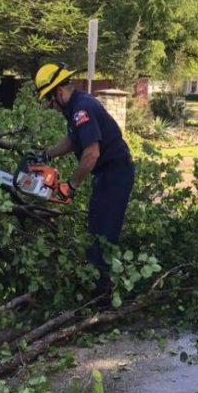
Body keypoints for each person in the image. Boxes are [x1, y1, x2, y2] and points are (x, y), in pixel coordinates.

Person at [34, 62, 135, 296]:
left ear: (58, 92)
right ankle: (97, 286)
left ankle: (102, 296)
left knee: (103, 233)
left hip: (115, 173)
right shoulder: (77, 107)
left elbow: (91, 153)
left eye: (50, 101)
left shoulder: (82, 110)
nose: (51, 107)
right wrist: (46, 154)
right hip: (107, 174)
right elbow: (72, 141)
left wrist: (71, 185)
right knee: (95, 228)